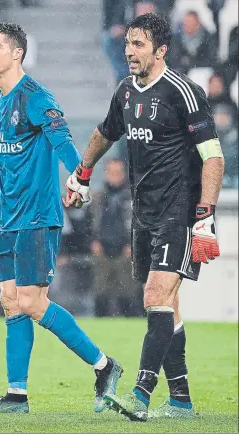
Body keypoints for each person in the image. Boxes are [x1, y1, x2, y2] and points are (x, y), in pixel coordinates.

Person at [64, 13, 224, 421]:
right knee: (166, 306)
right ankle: (182, 401)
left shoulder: (183, 92)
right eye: (128, 44)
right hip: (145, 214)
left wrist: (204, 216)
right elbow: (105, 131)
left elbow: (213, 157)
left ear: (161, 50)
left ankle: (139, 394)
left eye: (139, 45)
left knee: (154, 298)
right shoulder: (125, 92)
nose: (129, 52)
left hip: (181, 213)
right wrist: (83, 173)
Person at [0, 22, 122, 414]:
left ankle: (104, 366)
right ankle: (16, 396)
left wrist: (79, 179)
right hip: (8, 219)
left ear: (17, 53)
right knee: (10, 301)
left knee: (33, 303)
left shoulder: (35, 97)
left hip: (37, 217)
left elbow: (63, 141)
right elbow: (5, 165)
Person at [91, 159, 143, 317]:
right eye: (111, 172)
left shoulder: (132, 196)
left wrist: (131, 244)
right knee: (101, 291)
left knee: (128, 291)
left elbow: (137, 222)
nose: (114, 176)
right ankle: (101, 323)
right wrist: (94, 240)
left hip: (125, 249)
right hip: (102, 248)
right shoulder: (98, 197)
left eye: (118, 172)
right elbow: (90, 221)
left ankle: (130, 321)